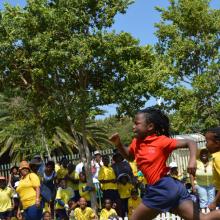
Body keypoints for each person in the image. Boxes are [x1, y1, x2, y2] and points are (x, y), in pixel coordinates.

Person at [110, 107, 220, 220]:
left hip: (161, 188)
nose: (133, 127)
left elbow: (190, 142)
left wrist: (192, 161)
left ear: (150, 127)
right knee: (202, 218)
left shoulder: (161, 141)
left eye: (137, 123)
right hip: (172, 188)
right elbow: (129, 156)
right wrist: (118, 144)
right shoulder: (136, 142)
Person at [205, 127, 220, 210]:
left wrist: (214, 202)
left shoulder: (218, 158)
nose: (205, 145)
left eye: (207, 142)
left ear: (217, 143)